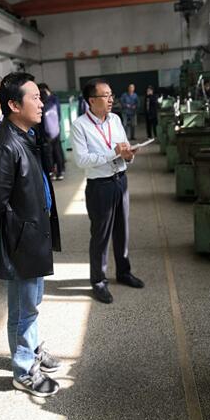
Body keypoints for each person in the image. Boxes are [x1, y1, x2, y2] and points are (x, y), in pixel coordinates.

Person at [0, 72, 61, 397]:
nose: (41, 104)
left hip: (33, 233)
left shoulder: (25, 135)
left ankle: (31, 349)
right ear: (14, 105)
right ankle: (24, 370)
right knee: (24, 308)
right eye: (35, 98)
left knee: (30, 303)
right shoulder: (4, 146)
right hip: (21, 239)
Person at [71, 77, 144, 304]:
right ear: (92, 100)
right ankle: (99, 281)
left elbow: (123, 147)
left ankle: (123, 272)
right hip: (100, 187)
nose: (111, 99)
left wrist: (128, 155)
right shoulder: (80, 125)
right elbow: (82, 160)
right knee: (101, 236)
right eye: (106, 95)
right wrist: (114, 153)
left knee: (122, 231)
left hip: (120, 181)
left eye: (111, 95)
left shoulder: (115, 119)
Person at [38, 83, 65, 180]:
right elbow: (59, 115)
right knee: (57, 151)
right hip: (56, 130)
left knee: (48, 153)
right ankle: (60, 171)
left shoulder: (43, 102)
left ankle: (51, 172)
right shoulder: (55, 99)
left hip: (46, 132)